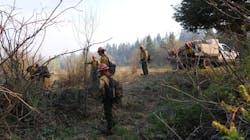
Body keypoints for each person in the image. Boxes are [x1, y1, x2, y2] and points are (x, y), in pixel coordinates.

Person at [98, 63, 116, 135]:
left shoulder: (103, 78)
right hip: (112, 97)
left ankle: (110, 129)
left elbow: (100, 87)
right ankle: (113, 123)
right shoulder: (109, 76)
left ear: (102, 71)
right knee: (109, 112)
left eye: (100, 71)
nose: (100, 72)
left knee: (107, 113)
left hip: (107, 99)